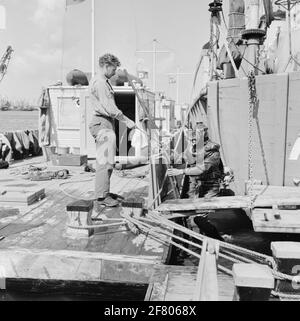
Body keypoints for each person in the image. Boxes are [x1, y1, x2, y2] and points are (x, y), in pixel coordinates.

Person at [89, 54, 135, 207]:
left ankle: (105, 192)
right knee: (104, 161)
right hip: (102, 123)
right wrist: (127, 121)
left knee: (108, 160)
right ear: (106, 66)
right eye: (113, 69)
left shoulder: (103, 82)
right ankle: (101, 197)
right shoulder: (101, 83)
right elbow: (110, 108)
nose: (115, 72)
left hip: (106, 123)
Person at [167, 125, 225, 241]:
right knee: (194, 218)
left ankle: (219, 241)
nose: (194, 140)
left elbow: (200, 169)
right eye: (193, 138)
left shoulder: (212, 150)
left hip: (210, 187)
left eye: (196, 138)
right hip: (199, 186)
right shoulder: (197, 147)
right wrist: (173, 153)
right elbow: (188, 159)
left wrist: (181, 171)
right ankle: (201, 239)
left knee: (199, 218)